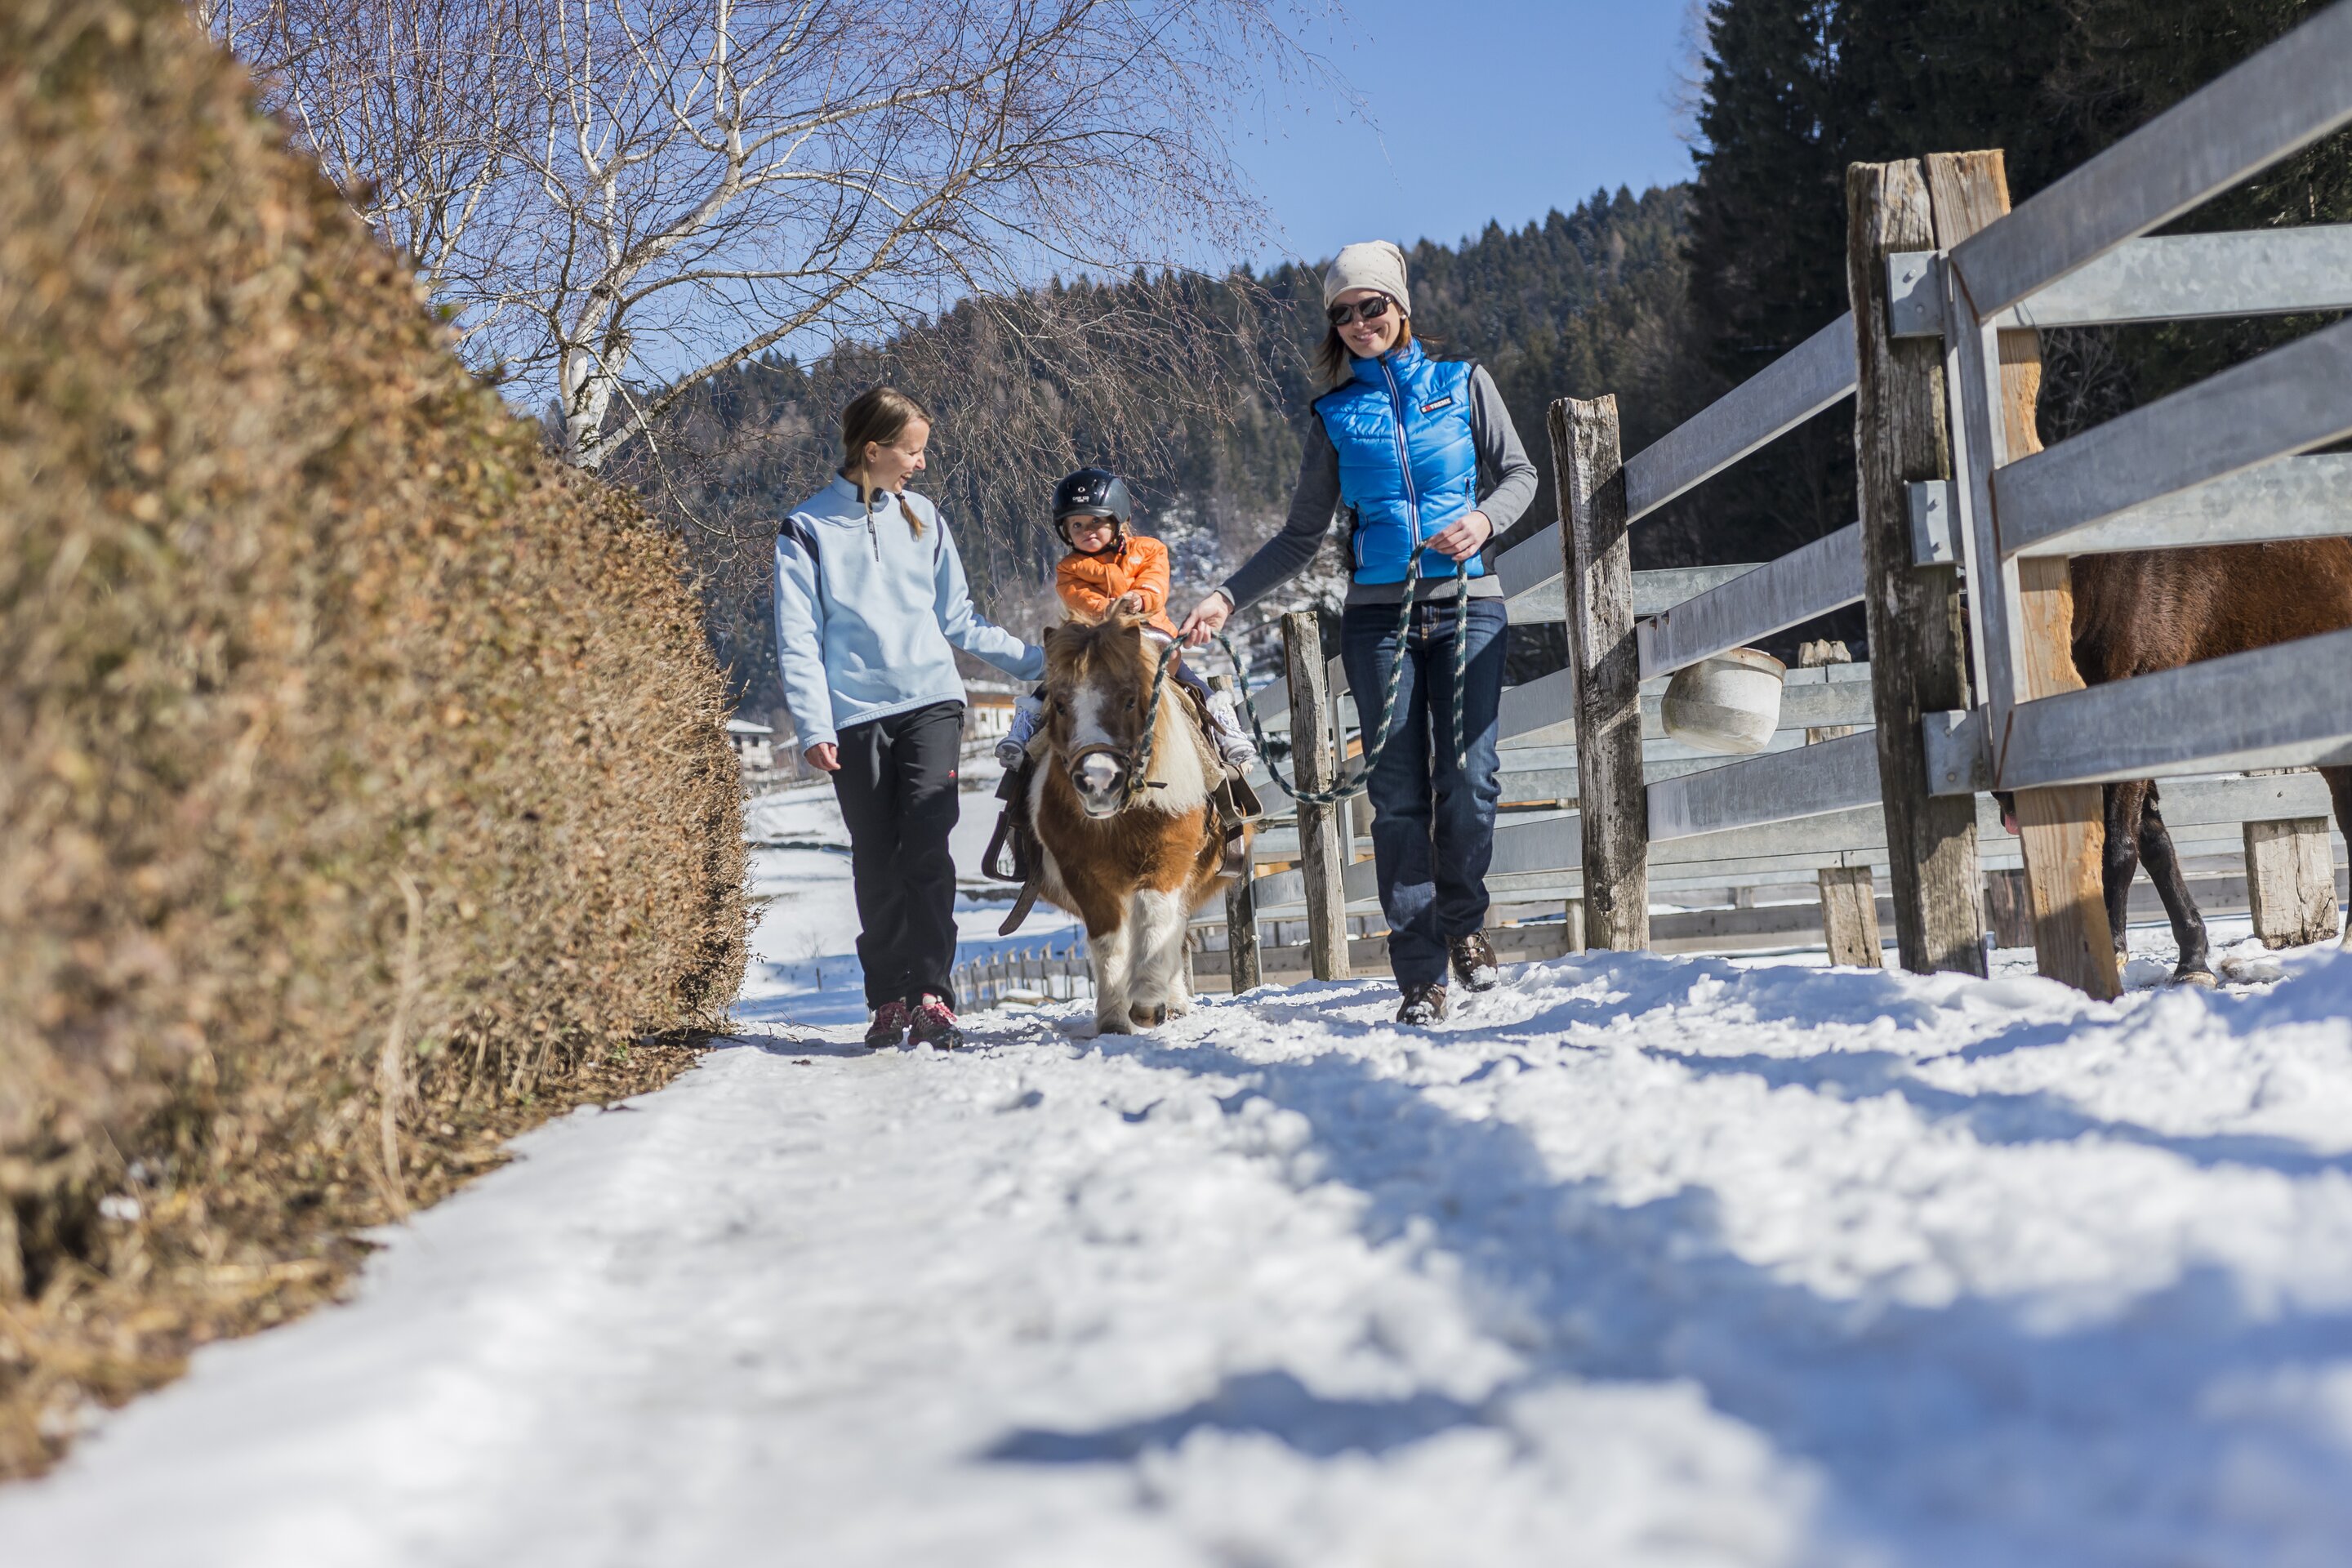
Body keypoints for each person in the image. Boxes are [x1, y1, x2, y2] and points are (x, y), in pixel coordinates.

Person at [1178, 240, 1538, 1026]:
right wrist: (1226, 598)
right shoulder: (1335, 415)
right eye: (1342, 313)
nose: (1357, 321)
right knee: (1396, 796)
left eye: (1371, 305)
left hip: (1470, 603)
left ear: (1400, 307)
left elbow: (1521, 475)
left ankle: (1463, 923)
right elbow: (1298, 537)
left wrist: (1483, 522)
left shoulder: (1462, 383)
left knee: (1471, 779)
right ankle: (1420, 975)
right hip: (1379, 619)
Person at [773, 385, 1044, 1050]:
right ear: (873, 450)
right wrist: (814, 724)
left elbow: (960, 620)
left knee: (927, 846)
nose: (921, 464)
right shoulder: (806, 529)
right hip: (854, 716)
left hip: (932, 703)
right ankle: (888, 998)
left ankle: (931, 996)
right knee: (876, 858)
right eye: (913, 451)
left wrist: (1041, 662)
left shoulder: (925, 518)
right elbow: (798, 639)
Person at [996, 467, 1256, 770]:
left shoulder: (1150, 550)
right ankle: (1024, 729)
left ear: (1118, 520)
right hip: (1096, 643)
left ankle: (1226, 729)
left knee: (1188, 681)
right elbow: (1078, 597)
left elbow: (1156, 583)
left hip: (1151, 638)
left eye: (1096, 521)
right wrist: (1108, 609)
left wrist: (1142, 598)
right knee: (1060, 681)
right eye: (1077, 525)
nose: (1087, 531)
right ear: (1065, 531)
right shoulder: (1068, 568)